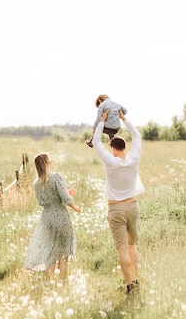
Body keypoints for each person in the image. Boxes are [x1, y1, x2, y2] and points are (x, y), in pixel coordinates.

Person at [92, 109, 144, 294]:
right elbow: (137, 135)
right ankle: (136, 279)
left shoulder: (110, 162)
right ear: (124, 148)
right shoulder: (133, 159)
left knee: (122, 248)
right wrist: (124, 118)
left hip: (116, 209)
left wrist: (102, 120)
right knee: (131, 245)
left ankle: (129, 284)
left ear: (113, 149)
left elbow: (96, 142)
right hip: (132, 206)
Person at [23, 152, 81, 282]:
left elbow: (42, 201)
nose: (53, 162)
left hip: (47, 219)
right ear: (47, 164)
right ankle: (62, 283)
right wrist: (75, 207)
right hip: (61, 216)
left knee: (51, 253)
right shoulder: (56, 177)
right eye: (51, 161)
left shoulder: (37, 183)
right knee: (64, 254)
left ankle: (49, 283)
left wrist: (65, 193)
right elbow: (65, 198)